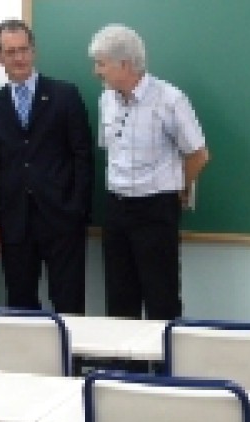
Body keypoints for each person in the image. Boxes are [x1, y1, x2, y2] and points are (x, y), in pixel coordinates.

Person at [88, 24, 210, 320]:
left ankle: (165, 366)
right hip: (116, 207)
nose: (96, 71)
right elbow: (110, 149)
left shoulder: (170, 99)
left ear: (125, 64)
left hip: (156, 209)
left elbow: (199, 154)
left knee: (161, 297)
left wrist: (179, 188)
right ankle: (125, 367)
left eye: (101, 64)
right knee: (119, 297)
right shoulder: (106, 100)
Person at [0, 19, 94, 313]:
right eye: (11, 52)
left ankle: (70, 361)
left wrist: (77, 207)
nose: (19, 58)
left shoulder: (65, 95)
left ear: (34, 51)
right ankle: (26, 361)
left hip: (62, 218)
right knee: (20, 305)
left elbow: (83, 156)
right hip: (14, 222)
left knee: (69, 303)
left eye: (24, 50)